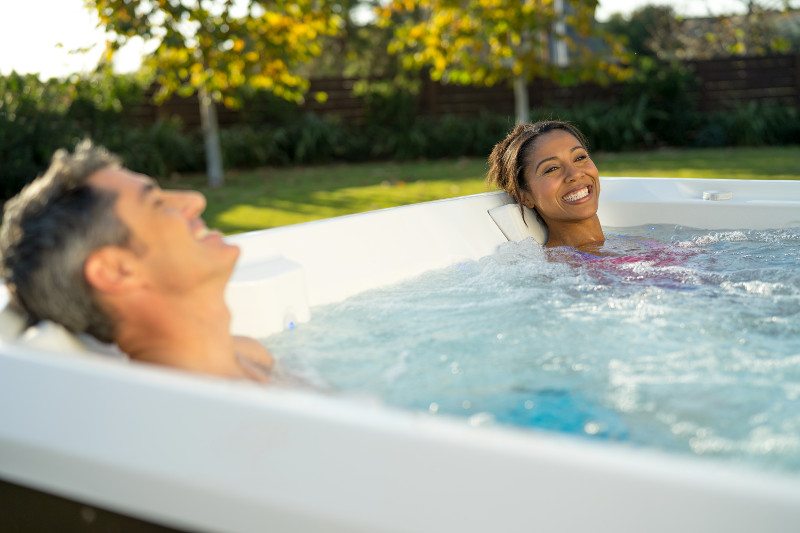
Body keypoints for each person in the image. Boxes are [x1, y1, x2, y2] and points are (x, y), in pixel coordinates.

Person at [0, 140, 273, 381]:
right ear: (115, 270)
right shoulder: (189, 421)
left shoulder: (252, 356)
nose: (195, 200)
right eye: (157, 203)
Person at [487, 120, 604, 252]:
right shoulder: (562, 268)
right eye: (552, 169)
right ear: (524, 196)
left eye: (579, 158)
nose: (575, 174)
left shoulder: (623, 243)